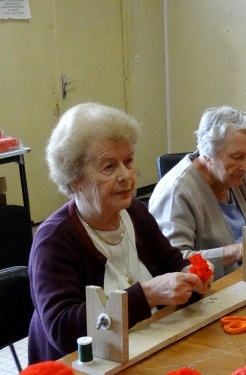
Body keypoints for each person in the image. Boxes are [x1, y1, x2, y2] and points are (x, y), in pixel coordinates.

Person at [28, 103, 211, 363]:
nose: (126, 175)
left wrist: (189, 277)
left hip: (146, 350)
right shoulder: (54, 240)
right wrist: (146, 296)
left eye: (128, 161)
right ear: (74, 180)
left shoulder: (134, 211)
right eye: (108, 167)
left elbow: (171, 261)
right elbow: (63, 329)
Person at [148, 106, 246, 280]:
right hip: (211, 293)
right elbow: (174, 262)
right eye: (237, 156)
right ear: (208, 154)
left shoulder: (235, 176)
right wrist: (237, 251)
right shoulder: (176, 192)